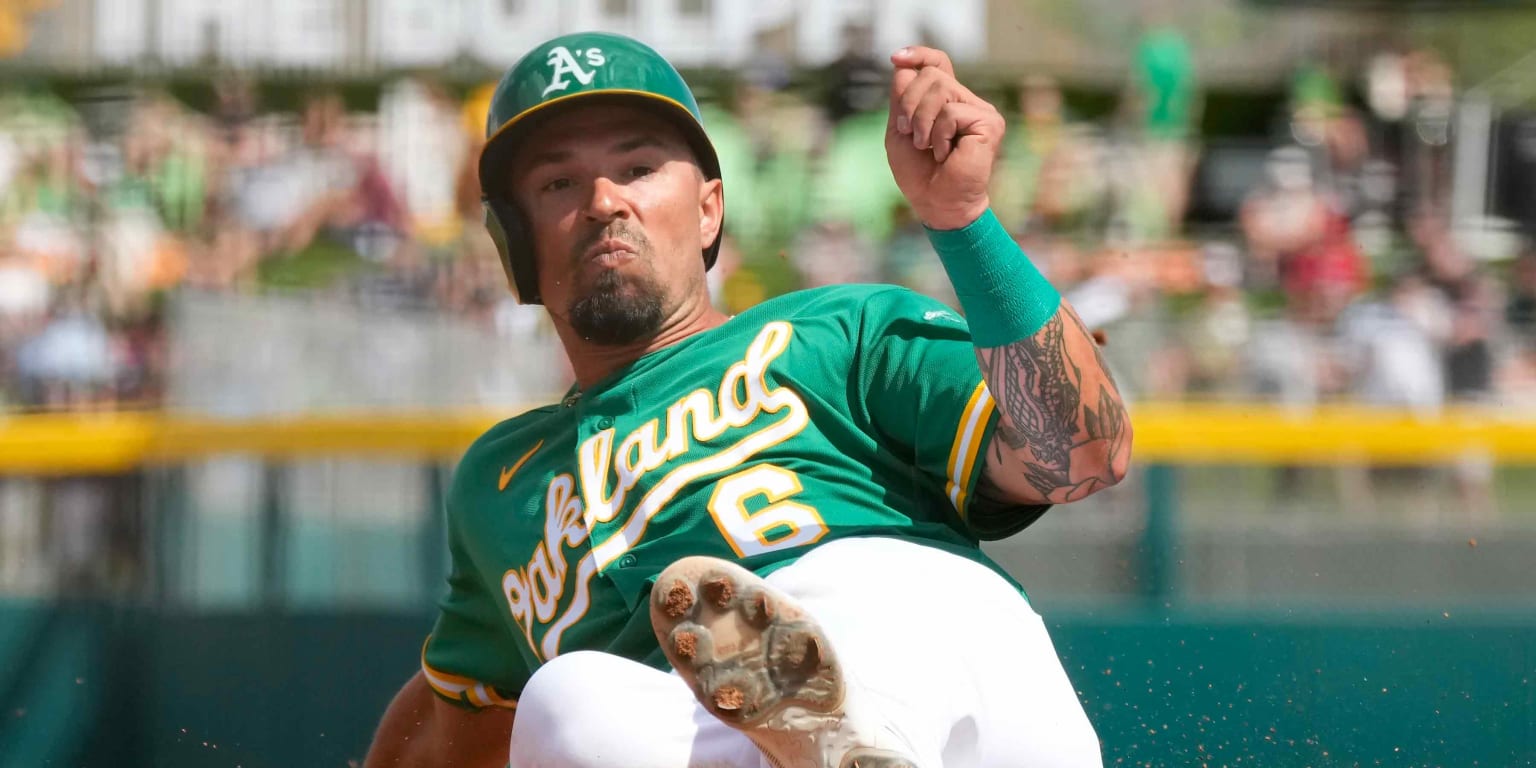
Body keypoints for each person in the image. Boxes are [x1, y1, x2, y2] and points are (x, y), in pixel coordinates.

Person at [364, 32, 1128, 768]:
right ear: (516, 242)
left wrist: (964, 223)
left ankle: (849, 735)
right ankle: (829, 748)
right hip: (702, 729)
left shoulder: (835, 330)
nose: (603, 200)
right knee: (571, 706)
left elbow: (1085, 453)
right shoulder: (501, 485)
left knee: (613, 682)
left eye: (637, 167)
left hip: (940, 658)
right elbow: (439, 735)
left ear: (707, 209)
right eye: (559, 182)